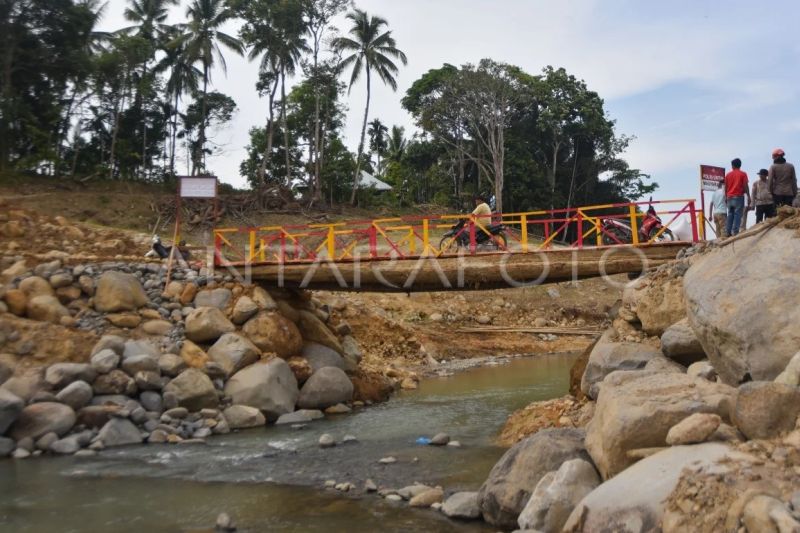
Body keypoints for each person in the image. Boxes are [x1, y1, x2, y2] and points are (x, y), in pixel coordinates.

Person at [724, 158, 749, 236]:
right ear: (740, 165)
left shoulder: (728, 175)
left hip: (729, 197)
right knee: (737, 214)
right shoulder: (743, 174)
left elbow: (726, 187)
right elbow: (745, 185)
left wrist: (725, 196)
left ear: (733, 165)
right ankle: (735, 232)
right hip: (738, 196)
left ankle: (728, 232)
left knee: (730, 214)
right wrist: (748, 195)